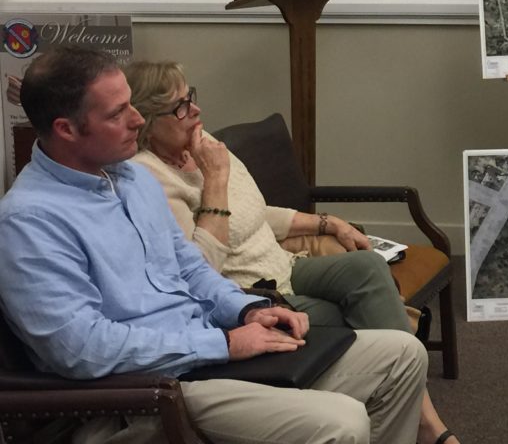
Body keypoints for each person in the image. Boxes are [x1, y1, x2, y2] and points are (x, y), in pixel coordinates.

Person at [0, 47, 427, 444]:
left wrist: (247, 309)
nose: (137, 120)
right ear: (66, 129)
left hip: (206, 357)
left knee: (402, 354)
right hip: (144, 393)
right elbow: (82, 350)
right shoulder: (30, 221)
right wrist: (223, 344)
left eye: (132, 103)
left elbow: (190, 269)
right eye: (118, 113)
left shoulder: (130, 179)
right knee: (342, 423)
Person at [124, 60, 459, 444]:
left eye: (191, 97)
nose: (195, 110)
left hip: (284, 264)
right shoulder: (152, 178)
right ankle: (424, 421)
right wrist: (214, 180)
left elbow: (255, 211)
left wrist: (328, 223)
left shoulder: (206, 146)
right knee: (352, 314)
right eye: (180, 107)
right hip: (252, 292)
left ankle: (417, 412)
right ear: (147, 122)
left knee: (366, 267)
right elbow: (201, 269)